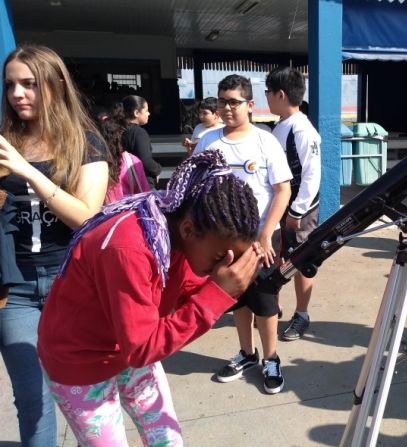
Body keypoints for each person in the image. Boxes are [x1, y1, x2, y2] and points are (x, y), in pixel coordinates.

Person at [37, 150, 263, 446]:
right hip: (80, 359)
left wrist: (232, 283)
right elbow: (143, 347)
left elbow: (185, 297)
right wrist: (216, 296)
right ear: (188, 229)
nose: (224, 264)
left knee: (167, 440)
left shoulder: (180, 233)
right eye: (221, 256)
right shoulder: (130, 247)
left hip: (130, 343)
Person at [0, 45, 109, 447]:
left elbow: (86, 217)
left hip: (75, 286)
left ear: (54, 85)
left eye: (29, 84)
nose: (17, 94)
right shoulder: (4, 140)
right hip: (17, 291)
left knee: (89, 399)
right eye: (10, 84)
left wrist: (27, 171)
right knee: (33, 401)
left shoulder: (85, 143)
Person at [193, 74, 292, 394]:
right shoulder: (209, 141)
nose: (226, 108)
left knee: (265, 304)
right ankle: (247, 354)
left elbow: (282, 191)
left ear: (250, 105)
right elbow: (196, 186)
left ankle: (271, 358)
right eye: (221, 101)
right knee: (236, 301)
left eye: (233, 102)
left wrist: (265, 236)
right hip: (225, 240)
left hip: (262, 240)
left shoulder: (265, 141)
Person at [265, 67, 321, 341]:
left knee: (302, 259)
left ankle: (302, 314)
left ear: (280, 94)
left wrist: (298, 210)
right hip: (281, 205)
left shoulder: (301, 128)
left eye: (267, 92)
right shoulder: (280, 125)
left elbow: (312, 173)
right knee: (277, 257)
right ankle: (272, 308)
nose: (266, 98)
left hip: (299, 208)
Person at [113, 95, 162, 189]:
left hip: (122, 184)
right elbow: (145, 161)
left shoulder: (116, 130)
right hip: (140, 184)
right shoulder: (138, 133)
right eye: (146, 110)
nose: (149, 113)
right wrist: (157, 169)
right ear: (136, 113)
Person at [100, 115, 151, 203]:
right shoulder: (132, 161)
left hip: (101, 213)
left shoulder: (94, 163)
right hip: (126, 213)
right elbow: (144, 193)